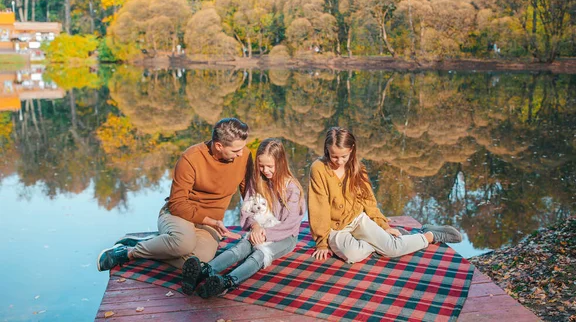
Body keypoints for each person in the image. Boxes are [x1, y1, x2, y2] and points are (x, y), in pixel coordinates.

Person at [97, 118, 253, 295]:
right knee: (183, 244)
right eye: (236, 150)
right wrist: (211, 221)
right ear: (219, 146)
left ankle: (154, 245)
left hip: (210, 225)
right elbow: (177, 204)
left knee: (199, 261)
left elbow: (248, 194)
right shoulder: (191, 158)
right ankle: (129, 252)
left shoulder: (245, 156)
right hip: (178, 214)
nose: (241, 153)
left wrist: (256, 224)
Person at [309, 127, 462, 264]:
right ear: (327, 150)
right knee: (352, 255)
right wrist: (322, 242)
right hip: (335, 228)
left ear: (352, 150)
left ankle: (429, 235)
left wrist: (383, 225)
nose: (339, 161)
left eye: (344, 156)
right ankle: (381, 242)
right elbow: (318, 207)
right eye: (334, 156)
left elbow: (368, 201)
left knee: (393, 249)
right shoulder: (319, 168)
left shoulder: (358, 167)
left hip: (357, 219)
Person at [191, 138, 305, 298]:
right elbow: (248, 210)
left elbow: (290, 224)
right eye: (261, 166)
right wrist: (256, 227)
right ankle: (204, 271)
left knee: (259, 254)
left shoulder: (292, 189)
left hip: (284, 237)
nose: (265, 170)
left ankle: (227, 282)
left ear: (281, 163)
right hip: (260, 229)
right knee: (241, 248)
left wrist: (266, 234)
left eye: (270, 166)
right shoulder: (257, 181)